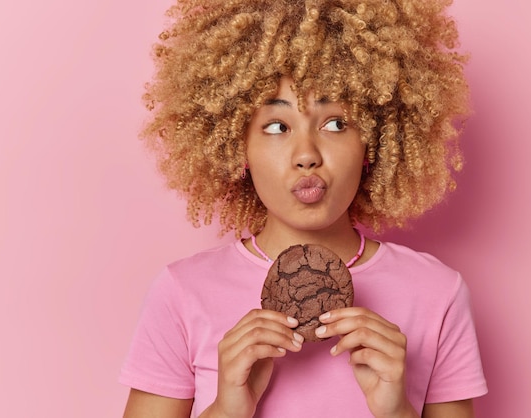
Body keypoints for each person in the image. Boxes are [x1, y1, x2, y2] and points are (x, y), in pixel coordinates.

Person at [120, 0, 487, 417]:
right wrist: (227, 408)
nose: (306, 154)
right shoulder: (182, 293)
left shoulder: (438, 294)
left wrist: (397, 412)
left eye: (335, 123)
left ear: (373, 141)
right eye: (277, 126)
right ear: (239, 146)